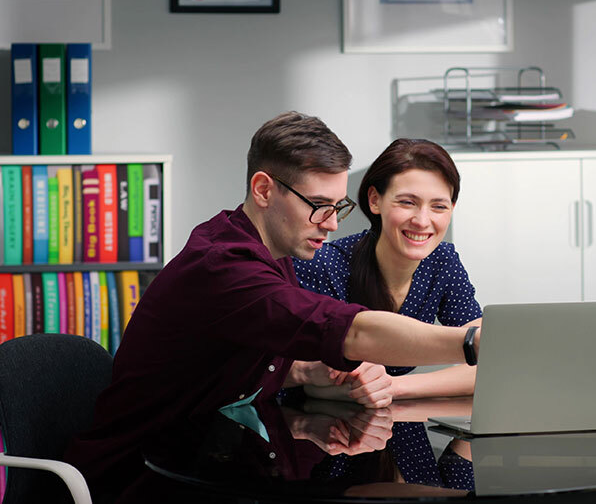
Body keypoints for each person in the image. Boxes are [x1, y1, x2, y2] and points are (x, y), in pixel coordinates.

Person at [64, 112, 481, 501]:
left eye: (337, 207)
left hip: (208, 456)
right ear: (264, 190)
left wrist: (309, 370)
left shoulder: (273, 251)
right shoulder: (223, 266)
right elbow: (350, 330)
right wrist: (471, 342)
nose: (333, 223)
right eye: (319, 205)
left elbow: (239, 358)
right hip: (136, 480)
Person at [291, 139, 482, 404]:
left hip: (399, 420)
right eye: (407, 202)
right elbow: (292, 374)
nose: (423, 220)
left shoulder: (442, 260)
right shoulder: (322, 264)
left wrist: (394, 387)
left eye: (439, 206)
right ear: (374, 200)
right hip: (313, 428)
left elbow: (488, 363)